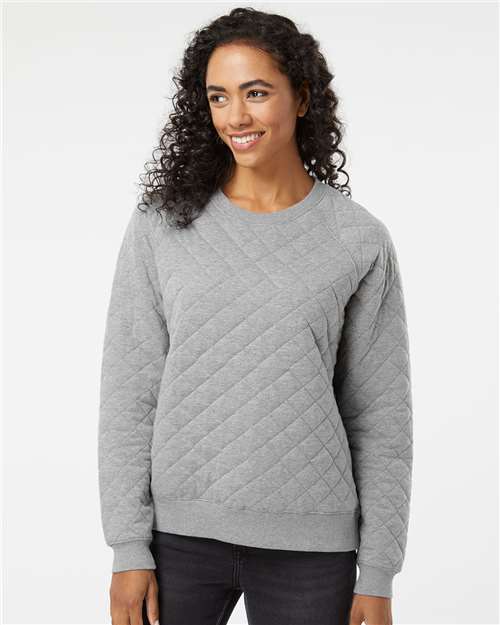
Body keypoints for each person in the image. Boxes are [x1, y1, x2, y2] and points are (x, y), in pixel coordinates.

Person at [98, 7, 413, 625]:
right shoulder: (163, 223)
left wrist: (379, 572)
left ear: (302, 98)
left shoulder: (358, 240)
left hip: (312, 548)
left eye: (256, 92)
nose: (235, 117)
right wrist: (127, 546)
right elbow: (130, 393)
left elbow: (380, 417)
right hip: (176, 541)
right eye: (219, 96)